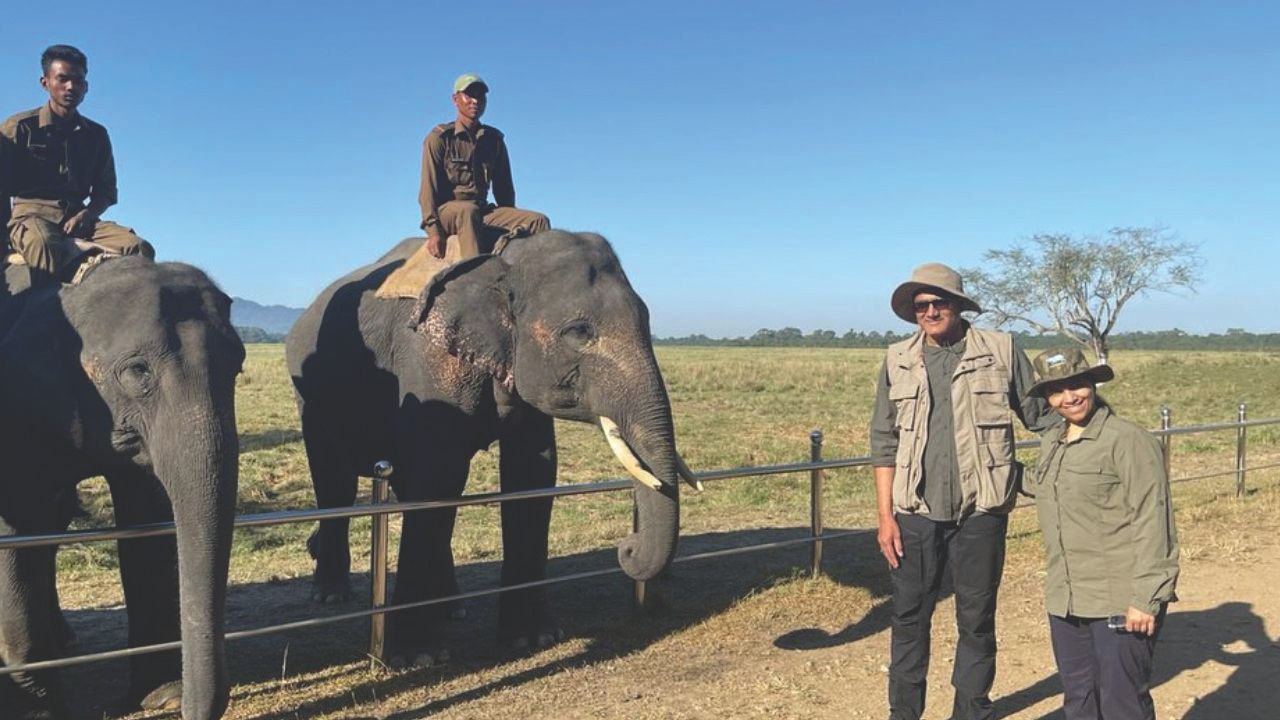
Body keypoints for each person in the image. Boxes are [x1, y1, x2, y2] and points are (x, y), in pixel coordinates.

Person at [869, 262, 1053, 720]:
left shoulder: (1001, 350)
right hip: (913, 511)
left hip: (982, 510)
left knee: (976, 619)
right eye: (921, 305)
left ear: (958, 305)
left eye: (939, 302)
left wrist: (1093, 437)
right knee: (909, 618)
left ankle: (971, 710)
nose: (930, 311)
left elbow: (1041, 417)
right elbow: (884, 441)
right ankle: (903, 713)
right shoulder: (897, 358)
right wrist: (885, 517)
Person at [1026, 347, 1179, 720]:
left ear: (1093, 383)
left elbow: (1153, 519)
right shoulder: (1052, 442)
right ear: (1047, 397)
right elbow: (1041, 485)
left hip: (1118, 597)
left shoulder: (1127, 440)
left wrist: (1146, 598)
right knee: (1079, 698)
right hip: (1066, 598)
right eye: (1057, 390)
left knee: (1121, 702)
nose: (1069, 397)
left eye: (1077, 384)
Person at [1, 44, 153, 285]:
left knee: (139, 248)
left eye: (78, 80)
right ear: (45, 83)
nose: (71, 87)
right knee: (45, 247)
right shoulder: (19, 127)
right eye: (62, 79)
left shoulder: (96, 135)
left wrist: (86, 215)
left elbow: (105, 192)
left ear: (86, 87)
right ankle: (43, 318)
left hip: (79, 216)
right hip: (31, 216)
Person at [418, 73, 549, 259]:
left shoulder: (493, 140)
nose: (475, 101)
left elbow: (504, 189)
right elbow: (427, 190)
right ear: (455, 99)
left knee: (538, 221)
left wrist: (509, 220)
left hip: (483, 210)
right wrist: (433, 232)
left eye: (480, 96)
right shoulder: (439, 138)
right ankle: (475, 275)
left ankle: (536, 279)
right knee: (467, 211)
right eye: (469, 95)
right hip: (449, 212)